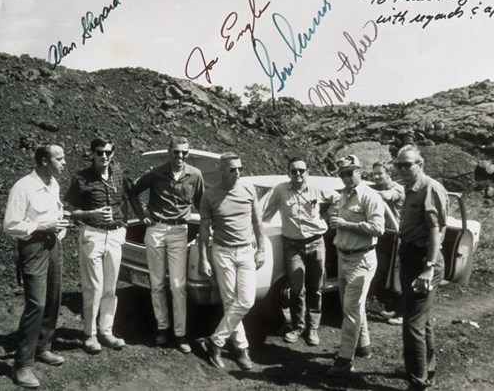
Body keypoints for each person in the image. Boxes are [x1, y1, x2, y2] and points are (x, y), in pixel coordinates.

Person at [128, 136, 204, 354]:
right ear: (169, 151)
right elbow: (133, 191)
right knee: (157, 282)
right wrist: (142, 215)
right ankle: (162, 328)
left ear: (188, 154)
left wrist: (211, 222)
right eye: (176, 152)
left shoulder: (195, 175)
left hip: (180, 231)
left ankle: (180, 334)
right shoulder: (155, 173)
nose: (180, 156)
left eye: (184, 152)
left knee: (178, 285)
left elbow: (202, 203)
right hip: (156, 231)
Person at [3, 144, 69, 388]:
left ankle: (43, 347)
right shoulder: (24, 187)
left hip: (53, 246)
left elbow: (55, 213)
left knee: (53, 298)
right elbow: (10, 224)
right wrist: (42, 227)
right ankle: (22, 365)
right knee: (36, 304)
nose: (64, 163)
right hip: (32, 247)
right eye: (59, 158)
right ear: (43, 160)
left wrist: (58, 226)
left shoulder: (53, 185)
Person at [198, 152, 265, 371]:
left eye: (239, 168)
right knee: (230, 302)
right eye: (232, 169)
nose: (237, 173)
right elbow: (204, 230)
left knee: (245, 300)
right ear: (221, 170)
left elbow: (258, 223)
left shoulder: (248, 190)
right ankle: (242, 349)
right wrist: (203, 259)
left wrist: (261, 250)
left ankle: (215, 341)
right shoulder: (210, 195)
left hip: (246, 251)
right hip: (222, 252)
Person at [262, 157, 338, 346]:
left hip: (316, 243)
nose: (298, 174)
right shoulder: (280, 190)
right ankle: (297, 327)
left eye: (301, 170)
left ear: (307, 172)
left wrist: (327, 215)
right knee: (296, 289)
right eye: (294, 171)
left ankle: (313, 329)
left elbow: (339, 199)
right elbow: (263, 213)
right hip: (293, 246)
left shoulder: (317, 188)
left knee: (316, 288)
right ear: (288, 173)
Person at [64, 138, 130, 354]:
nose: (104, 156)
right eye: (100, 152)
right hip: (93, 233)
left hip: (115, 235)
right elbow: (70, 212)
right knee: (94, 286)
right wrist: (90, 214)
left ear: (113, 154)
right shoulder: (81, 178)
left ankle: (106, 331)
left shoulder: (118, 174)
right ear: (92, 153)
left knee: (111, 287)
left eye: (108, 153)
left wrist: (124, 225)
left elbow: (126, 200)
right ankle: (89, 334)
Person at [395, 144, 448, 391]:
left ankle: (417, 383)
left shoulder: (430, 188)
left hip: (425, 259)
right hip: (410, 256)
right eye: (400, 165)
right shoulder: (410, 188)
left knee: (412, 322)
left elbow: (435, 230)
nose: (404, 169)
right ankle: (426, 372)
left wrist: (428, 267)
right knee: (422, 320)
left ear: (420, 164)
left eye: (408, 164)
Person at [327, 155, 385, 377]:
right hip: (344, 256)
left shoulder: (370, 196)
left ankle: (344, 360)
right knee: (350, 307)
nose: (346, 177)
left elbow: (378, 228)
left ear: (360, 171)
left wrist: (346, 224)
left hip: (362, 259)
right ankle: (364, 346)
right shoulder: (343, 195)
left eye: (350, 172)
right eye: (342, 174)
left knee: (351, 310)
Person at [372, 162, 405, 326]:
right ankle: (392, 307)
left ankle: (402, 313)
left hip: (397, 235)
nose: (377, 177)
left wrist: (363, 190)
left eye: (380, 174)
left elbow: (386, 196)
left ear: (389, 174)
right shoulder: (375, 187)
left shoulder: (397, 188)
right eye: (374, 174)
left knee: (397, 275)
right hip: (384, 234)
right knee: (384, 273)